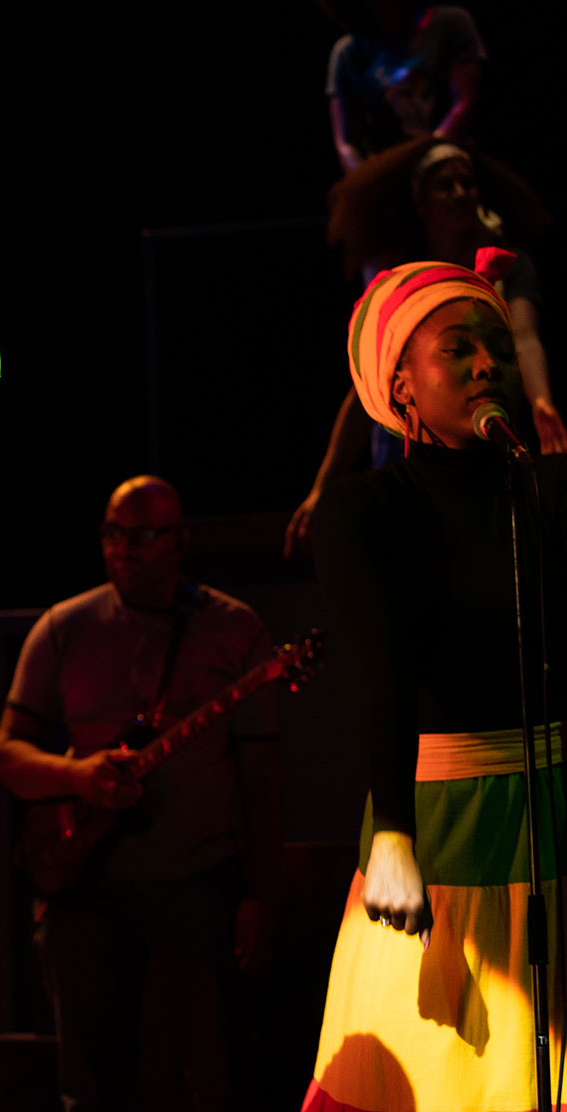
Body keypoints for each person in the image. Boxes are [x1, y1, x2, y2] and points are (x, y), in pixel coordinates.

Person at [303, 253, 567, 1111]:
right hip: (450, 823)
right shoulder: (368, 509)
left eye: (495, 344)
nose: (487, 363)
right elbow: (379, 674)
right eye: (458, 348)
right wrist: (393, 837)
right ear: (401, 385)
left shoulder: (545, 490)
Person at [0, 476, 284, 1112]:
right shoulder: (63, 627)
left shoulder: (235, 631)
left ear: (180, 541)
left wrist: (260, 893)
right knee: (93, 1084)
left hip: (198, 886)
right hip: (86, 893)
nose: (123, 550)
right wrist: (78, 776)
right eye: (112, 535)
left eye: (141, 537)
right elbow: (6, 755)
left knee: (210, 1073)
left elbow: (263, 782)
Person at [285, 137, 558, 555]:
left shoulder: (507, 263)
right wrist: (323, 484)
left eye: (467, 184)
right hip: (410, 446)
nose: (460, 194)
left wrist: (540, 400)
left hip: (480, 431)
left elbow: (523, 336)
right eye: (445, 185)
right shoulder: (402, 281)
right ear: (420, 202)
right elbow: (368, 387)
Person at [306, 0, 485, 173]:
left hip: (453, 168)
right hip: (389, 176)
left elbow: (464, 102)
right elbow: (346, 142)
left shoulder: (450, 24)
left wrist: (427, 162)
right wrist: (367, 184)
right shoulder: (347, 53)